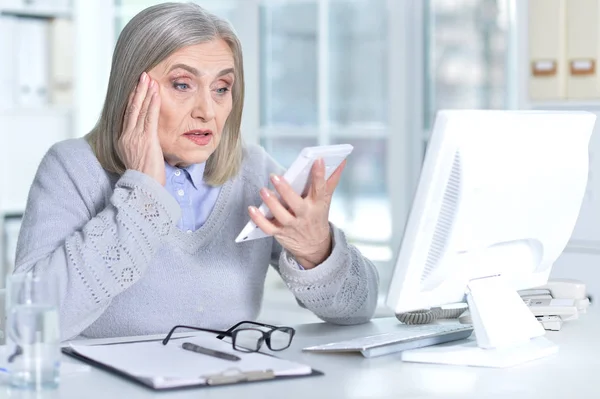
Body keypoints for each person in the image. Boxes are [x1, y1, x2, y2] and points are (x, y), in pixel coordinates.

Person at [13, 2, 379, 340]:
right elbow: (28, 323)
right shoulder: (73, 167)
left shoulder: (252, 171)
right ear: (131, 90)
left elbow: (359, 309)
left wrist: (317, 251)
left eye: (222, 88)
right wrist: (142, 192)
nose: (207, 110)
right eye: (182, 84)